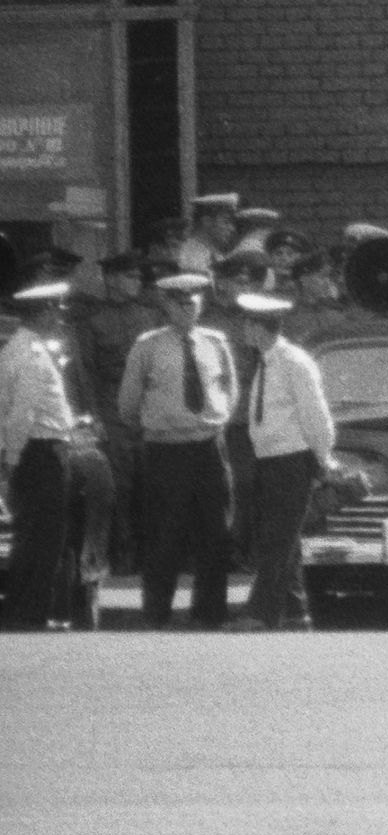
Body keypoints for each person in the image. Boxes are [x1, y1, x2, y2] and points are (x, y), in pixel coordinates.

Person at [122, 269, 237, 628]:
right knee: (164, 533)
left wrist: (214, 421)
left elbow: (230, 390)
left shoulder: (215, 341)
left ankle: (210, 613)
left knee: (215, 533)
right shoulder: (148, 345)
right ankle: (157, 612)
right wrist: (158, 425)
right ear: (166, 305)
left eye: (193, 301)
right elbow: (128, 402)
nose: (188, 308)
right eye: (180, 302)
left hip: (208, 448)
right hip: (166, 451)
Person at [226, 287, 333, 632]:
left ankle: (261, 613)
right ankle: (295, 610)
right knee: (285, 538)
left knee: (277, 539)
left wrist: (322, 459)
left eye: (247, 323)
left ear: (260, 326)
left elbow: (316, 416)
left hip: (292, 460)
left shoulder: (293, 362)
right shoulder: (267, 362)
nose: (243, 330)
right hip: (270, 460)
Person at [3, 271, 96, 627]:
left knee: (40, 535)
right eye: (53, 310)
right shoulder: (29, 355)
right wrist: (12, 460)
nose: (58, 318)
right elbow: (21, 415)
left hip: (42, 450)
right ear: (40, 313)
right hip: (39, 452)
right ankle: (29, 611)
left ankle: (29, 609)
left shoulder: (31, 348)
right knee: (41, 538)